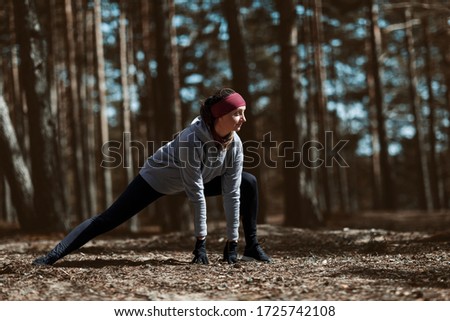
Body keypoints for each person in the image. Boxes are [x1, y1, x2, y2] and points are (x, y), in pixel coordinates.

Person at [32, 88, 271, 266]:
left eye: (244, 113)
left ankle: (251, 247)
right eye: (238, 113)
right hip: (157, 180)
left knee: (247, 182)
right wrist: (201, 244)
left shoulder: (235, 143)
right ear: (220, 115)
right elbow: (196, 193)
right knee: (108, 219)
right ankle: (53, 255)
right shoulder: (191, 140)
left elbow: (231, 193)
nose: (244, 119)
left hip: (199, 178)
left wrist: (232, 243)